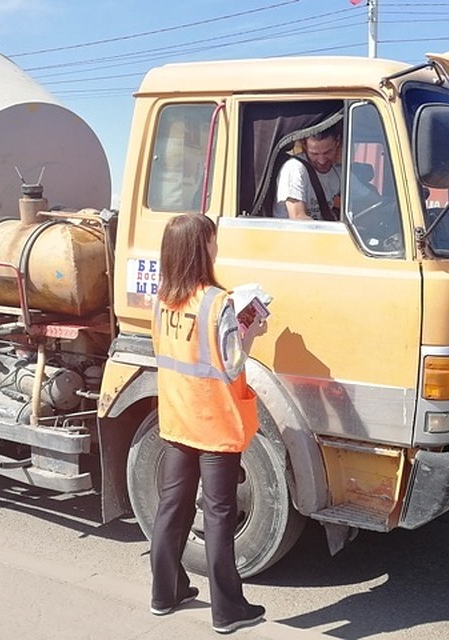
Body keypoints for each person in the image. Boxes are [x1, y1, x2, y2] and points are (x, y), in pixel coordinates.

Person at [149, 213, 267, 634]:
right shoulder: (217, 303)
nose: (217, 248)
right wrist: (252, 329)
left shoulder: (162, 298)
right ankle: (228, 611)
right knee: (219, 515)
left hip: (178, 417)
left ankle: (165, 594)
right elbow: (232, 363)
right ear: (202, 249)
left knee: (172, 507)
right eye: (213, 242)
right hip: (215, 421)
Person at [273, 125, 343, 220]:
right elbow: (298, 218)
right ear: (304, 145)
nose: (322, 161)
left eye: (328, 152)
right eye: (314, 153)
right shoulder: (294, 169)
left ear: (337, 142)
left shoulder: (338, 170)